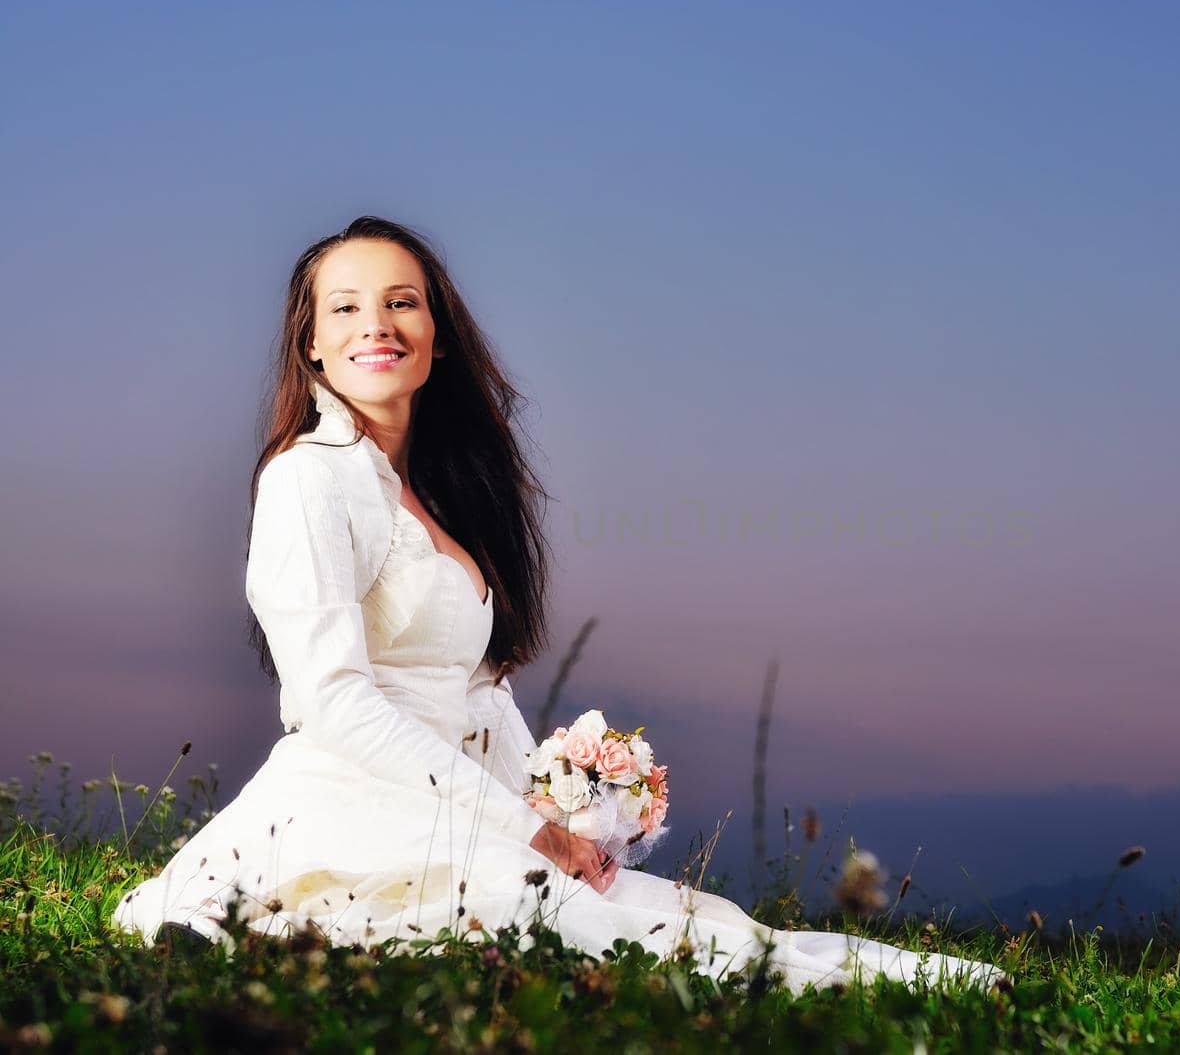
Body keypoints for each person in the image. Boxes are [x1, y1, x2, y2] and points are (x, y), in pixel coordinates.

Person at [112, 215, 1002, 993]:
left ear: (438, 332)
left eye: (402, 302)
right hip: (361, 802)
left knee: (700, 924)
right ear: (309, 340)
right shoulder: (310, 479)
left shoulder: (436, 489)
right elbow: (336, 700)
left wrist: (566, 806)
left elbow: (477, 690)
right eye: (344, 306)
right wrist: (524, 826)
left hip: (466, 802)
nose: (375, 325)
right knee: (597, 943)